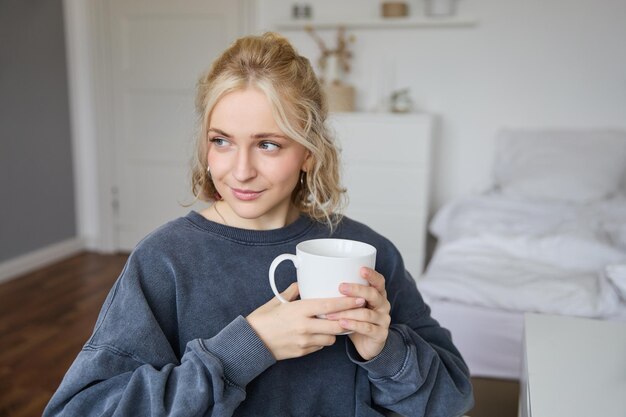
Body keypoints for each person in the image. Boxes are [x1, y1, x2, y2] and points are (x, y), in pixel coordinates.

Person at [44, 32, 473, 417]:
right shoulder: (164, 261)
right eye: (222, 141)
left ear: (308, 152)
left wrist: (386, 351)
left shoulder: (365, 250)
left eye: (268, 144)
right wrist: (248, 348)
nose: (241, 170)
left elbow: (452, 398)